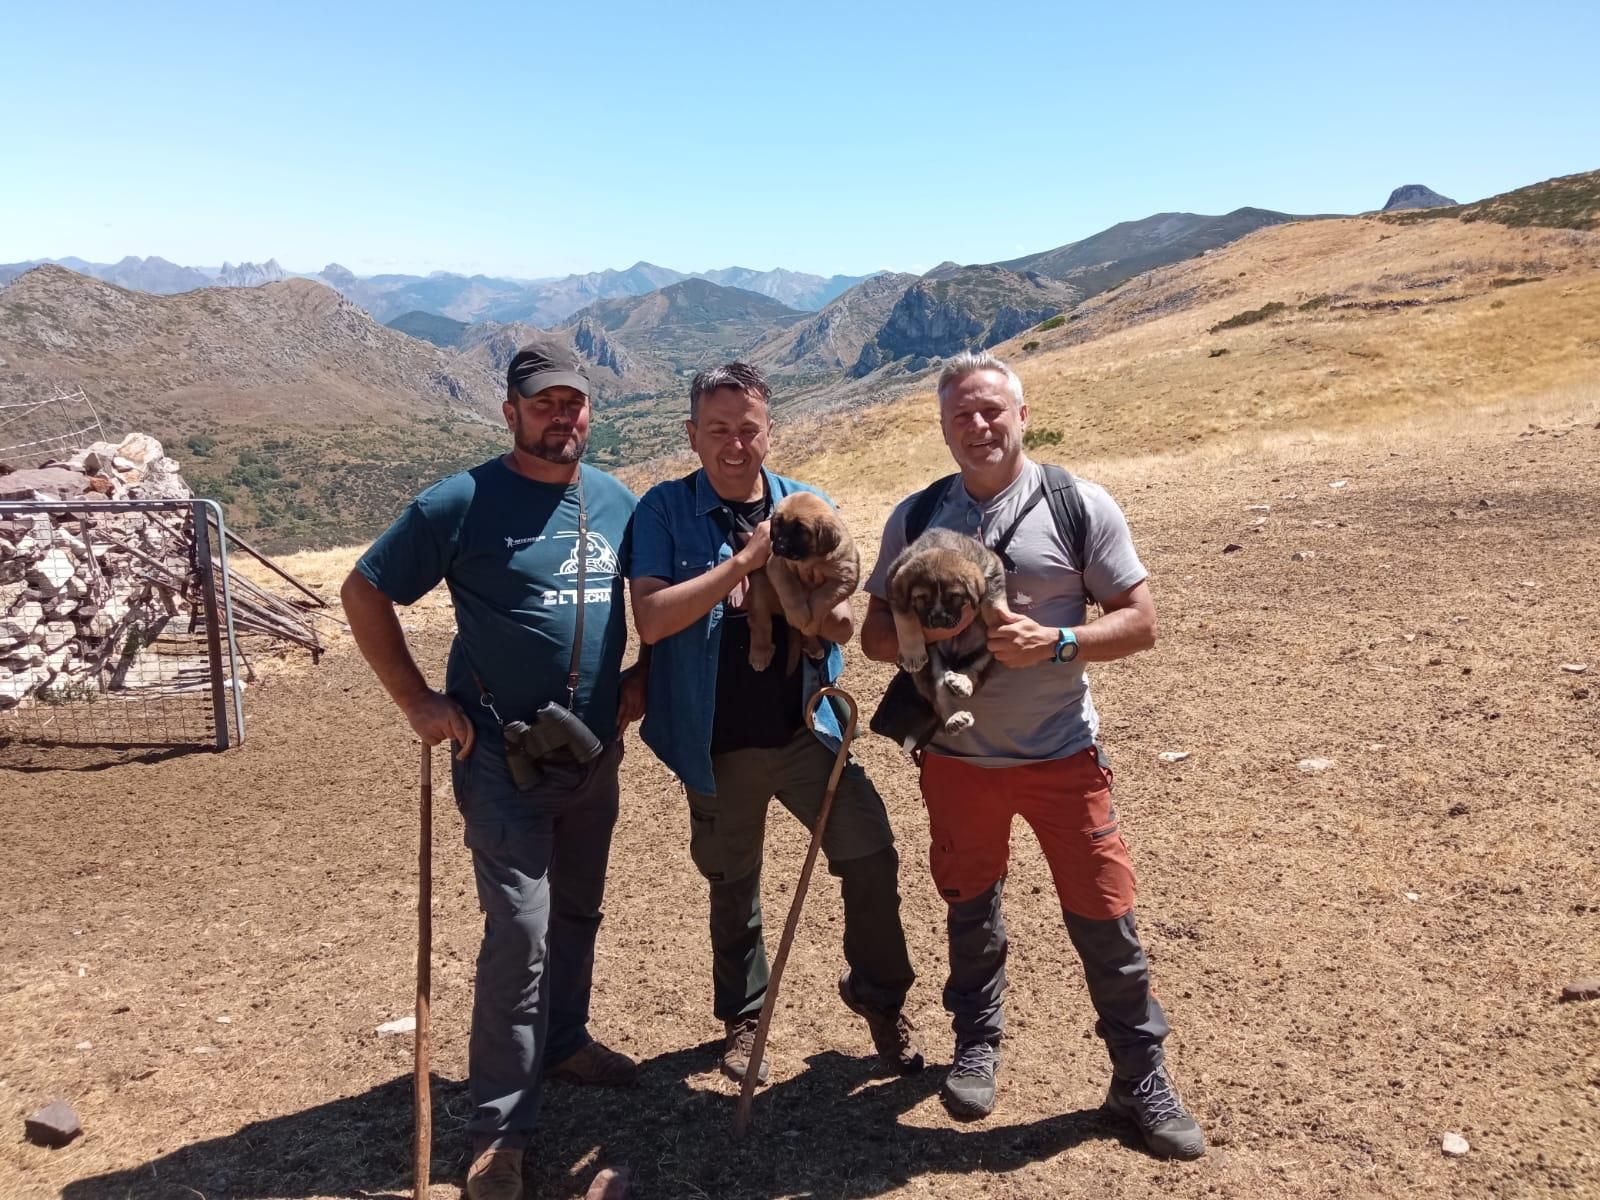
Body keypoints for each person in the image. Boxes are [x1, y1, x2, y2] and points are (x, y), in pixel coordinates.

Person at [860, 350, 1205, 1160]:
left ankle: (1138, 1075)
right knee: (969, 905)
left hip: (1061, 754)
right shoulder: (914, 518)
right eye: (960, 415)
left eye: (991, 411)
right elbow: (873, 633)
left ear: (1021, 414)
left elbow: (1141, 621)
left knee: (1105, 913)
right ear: (943, 428)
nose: (977, 426)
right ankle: (975, 1046)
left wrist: (1058, 644)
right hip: (955, 758)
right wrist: (923, 640)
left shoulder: (1078, 505)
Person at [341, 347, 648, 1200]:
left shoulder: (618, 499)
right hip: (500, 761)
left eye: (575, 404)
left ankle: (564, 1042)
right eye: (545, 403)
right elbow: (365, 590)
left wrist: (643, 679)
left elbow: (652, 600)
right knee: (521, 935)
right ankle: (499, 1134)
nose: (563, 417)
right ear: (509, 412)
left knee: (579, 911)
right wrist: (417, 702)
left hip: (591, 754)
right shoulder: (460, 501)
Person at [626, 362, 922, 1085]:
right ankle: (744, 1016)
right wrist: (745, 565)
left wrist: (831, 616)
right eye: (718, 430)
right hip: (713, 740)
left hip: (807, 731)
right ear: (691, 434)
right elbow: (654, 619)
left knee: (870, 852)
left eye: (748, 429)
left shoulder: (804, 505)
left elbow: (843, 613)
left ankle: (879, 998)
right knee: (733, 882)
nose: (734, 444)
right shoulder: (663, 511)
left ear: (769, 431)